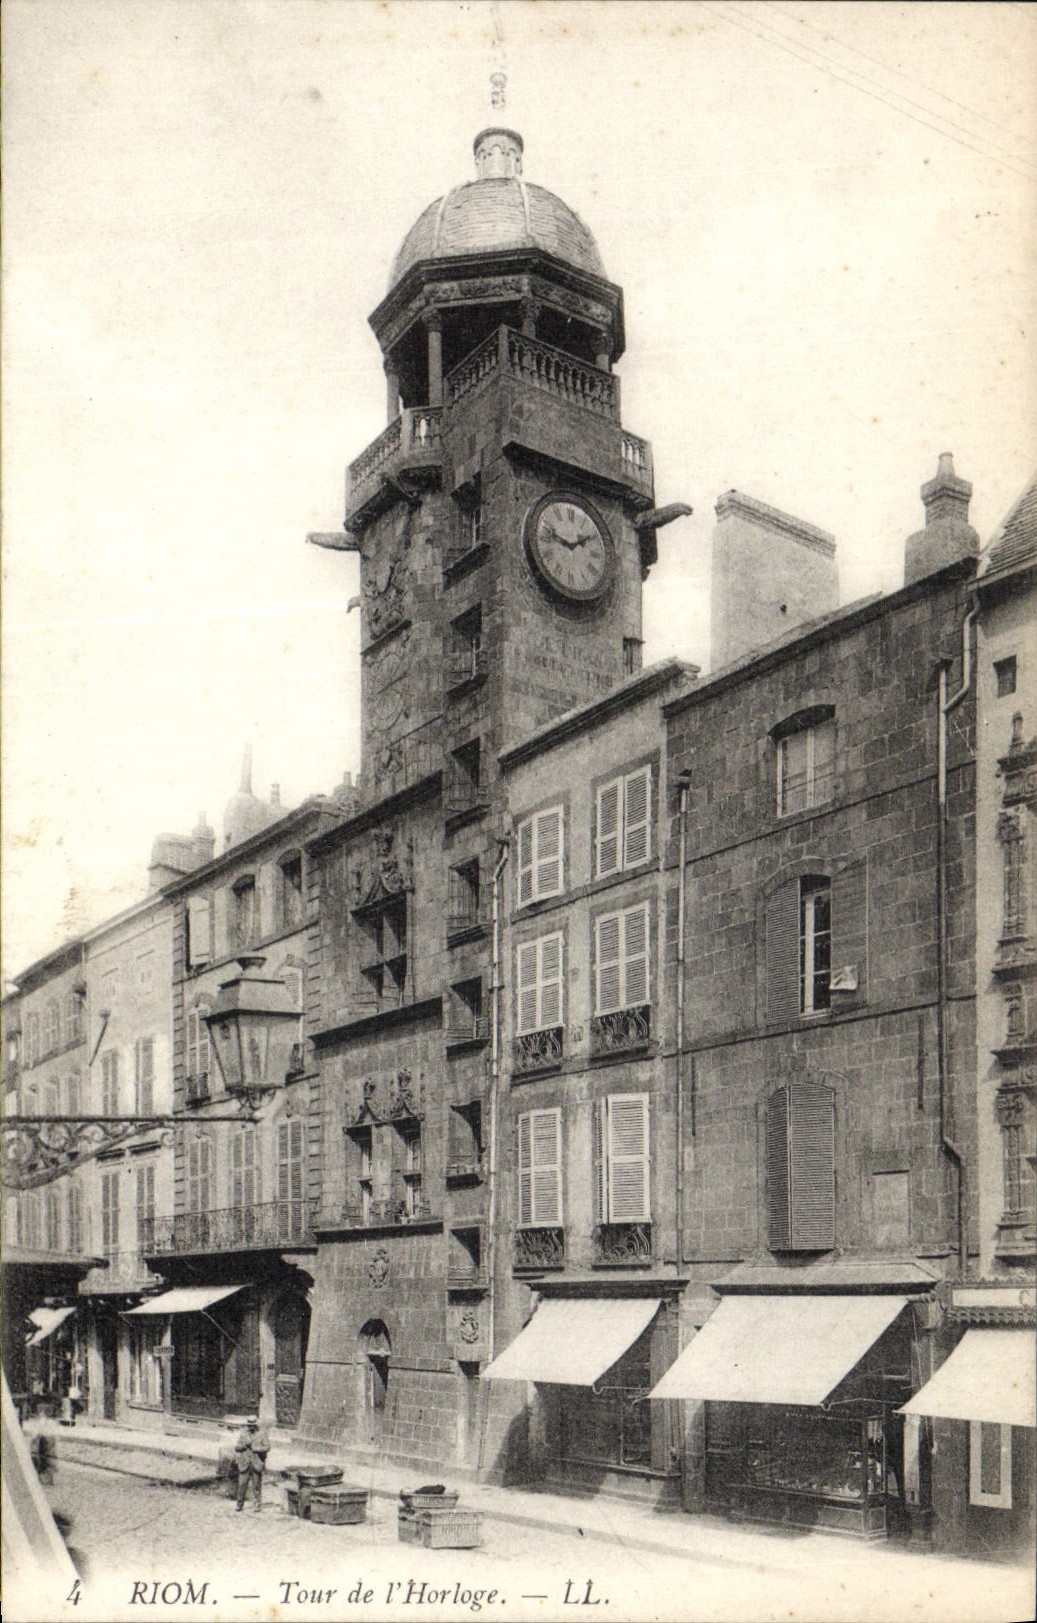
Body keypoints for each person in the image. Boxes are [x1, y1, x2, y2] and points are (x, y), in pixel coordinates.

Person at [234, 1414, 270, 1512]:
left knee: (256, 1486)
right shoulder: (243, 1434)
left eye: (252, 1425)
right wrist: (243, 1446)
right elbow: (237, 1447)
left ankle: (257, 1505)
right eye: (248, 1425)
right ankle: (239, 1504)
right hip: (244, 1463)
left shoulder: (262, 1434)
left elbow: (267, 1447)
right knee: (242, 1485)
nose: (250, 1427)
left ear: (255, 1425)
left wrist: (256, 1449)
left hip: (256, 1463)